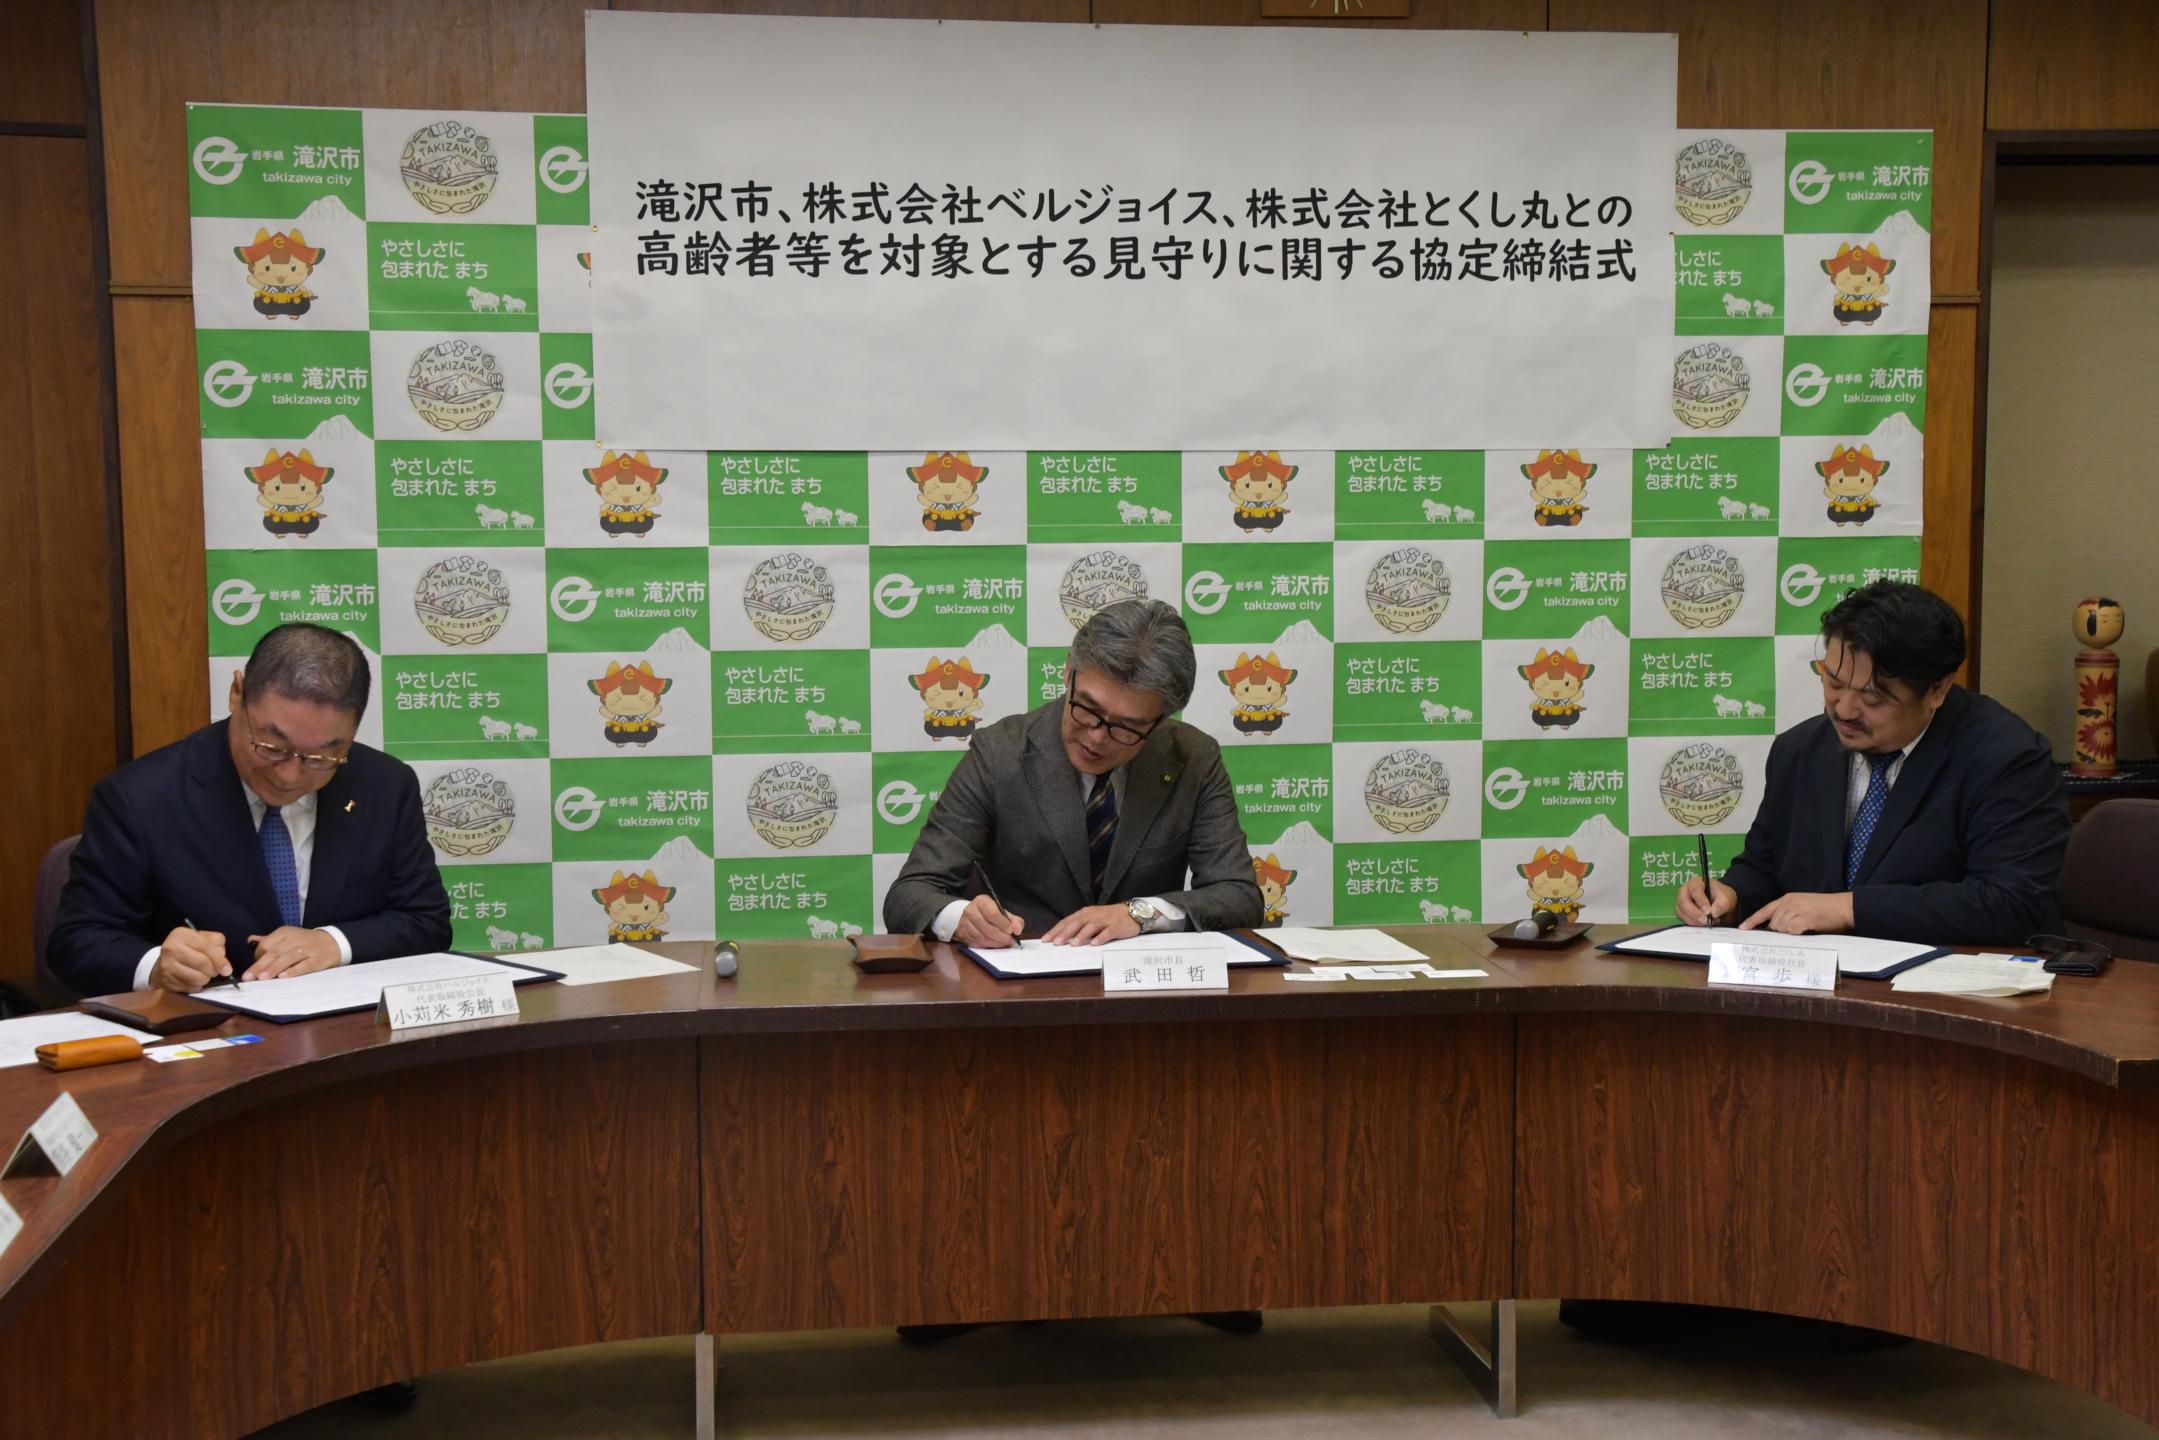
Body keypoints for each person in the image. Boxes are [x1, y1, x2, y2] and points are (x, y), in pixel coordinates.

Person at [49, 623, 452, 996]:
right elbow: (78, 940)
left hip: (344, 1028)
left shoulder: (385, 786)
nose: (290, 776)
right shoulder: (142, 797)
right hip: (209, 1029)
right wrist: (157, 966)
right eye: (272, 747)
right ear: (237, 693)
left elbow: (426, 921)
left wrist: (334, 943)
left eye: (321, 757)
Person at [1678, 578, 2069, 944]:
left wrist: (1849, 908)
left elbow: (2012, 902)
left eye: (1873, 697)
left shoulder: (2007, 759)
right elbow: (1766, 867)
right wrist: (1730, 896)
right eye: (1834, 683)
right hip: (1823, 978)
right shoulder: (1799, 751)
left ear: (1937, 690)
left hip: (1954, 981)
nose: (1844, 710)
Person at [884, 598, 1264, 946]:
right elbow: (910, 894)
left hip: (1143, 982)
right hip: (1021, 977)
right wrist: (960, 918)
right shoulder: (999, 753)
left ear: (1161, 719)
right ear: (1068, 673)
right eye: (1086, 709)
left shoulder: (1194, 758)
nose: (1096, 737)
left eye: (1127, 727)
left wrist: (1140, 914)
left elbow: (1240, 897)